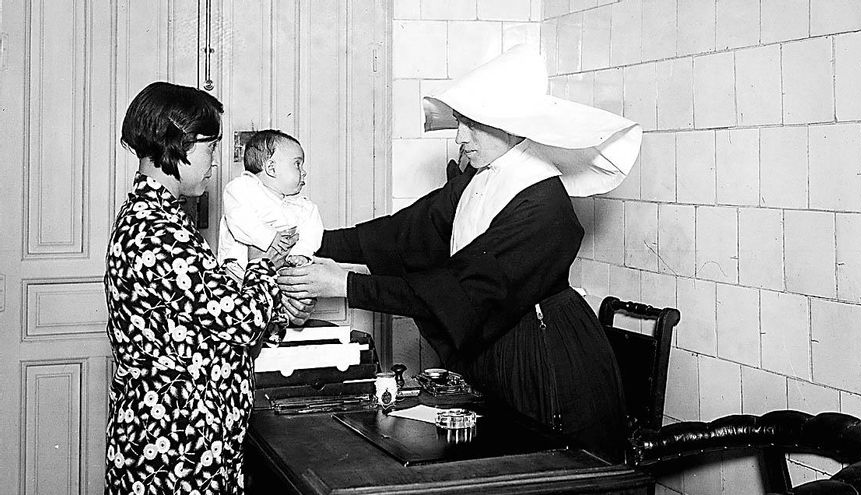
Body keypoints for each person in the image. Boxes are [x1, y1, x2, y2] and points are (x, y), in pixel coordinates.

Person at [278, 45, 643, 462]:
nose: (458, 137)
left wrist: (346, 284)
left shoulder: (543, 204)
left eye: (471, 124)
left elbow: (460, 290)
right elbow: (402, 234)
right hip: (503, 353)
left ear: (511, 125)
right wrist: (309, 241)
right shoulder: (478, 179)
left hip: (548, 364)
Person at [104, 82, 292, 495]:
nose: (212, 162)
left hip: (178, 440)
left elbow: (206, 309)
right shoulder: (159, 231)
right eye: (209, 148)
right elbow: (242, 322)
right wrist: (266, 268)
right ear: (178, 144)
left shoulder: (153, 218)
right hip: (176, 446)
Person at [218, 129, 324, 284]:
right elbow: (239, 219)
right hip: (236, 275)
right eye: (297, 164)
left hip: (276, 278)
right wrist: (269, 237)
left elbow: (312, 231)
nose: (304, 172)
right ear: (271, 168)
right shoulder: (242, 188)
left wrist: (302, 252)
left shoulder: (300, 206)